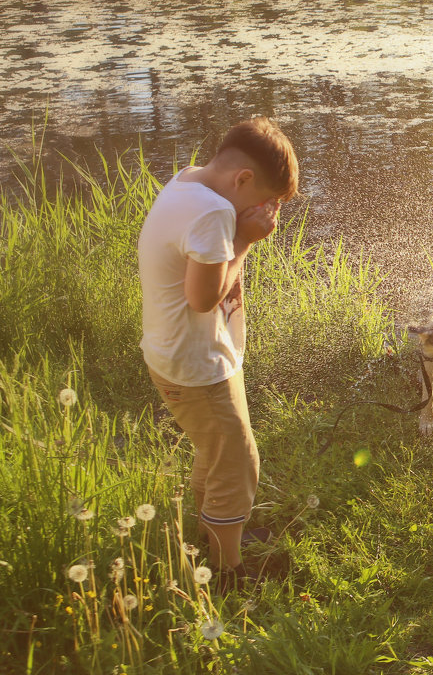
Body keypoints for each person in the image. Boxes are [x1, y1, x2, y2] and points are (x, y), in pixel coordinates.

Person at [138, 117, 299, 588]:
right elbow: (203, 299)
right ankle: (227, 574)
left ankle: (215, 533)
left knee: (215, 451)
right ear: (241, 179)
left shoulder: (188, 180)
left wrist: (241, 224)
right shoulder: (213, 214)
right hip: (196, 367)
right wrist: (246, 239)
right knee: (238, 463)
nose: (265, 212)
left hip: (177, 353)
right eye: (263, 200)